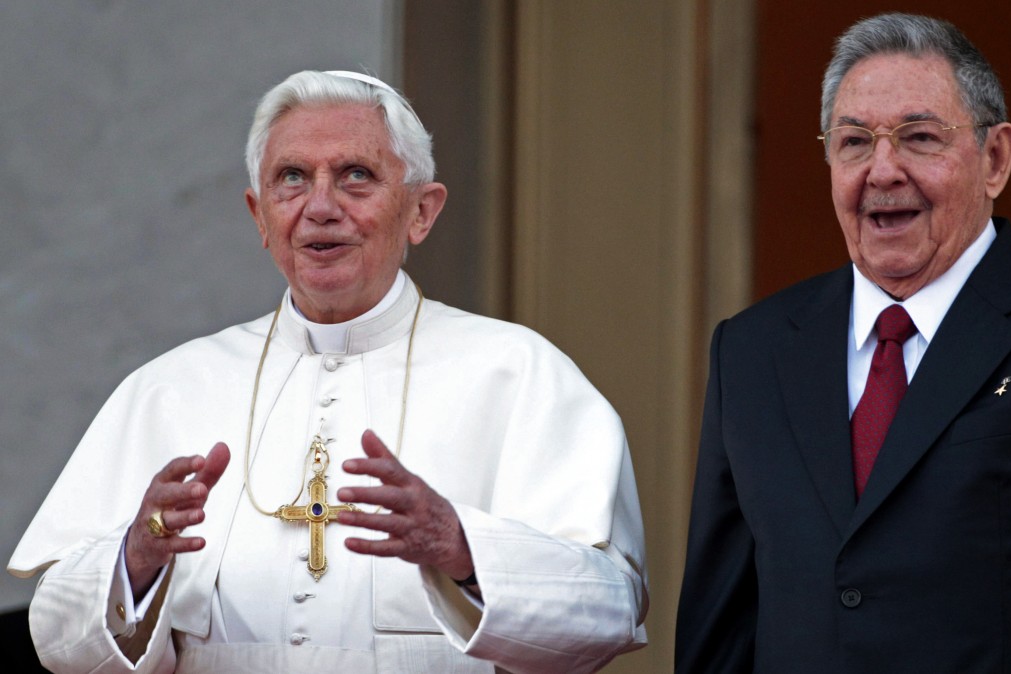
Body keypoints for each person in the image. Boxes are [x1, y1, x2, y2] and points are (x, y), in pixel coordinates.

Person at [9, 70, 648, 674]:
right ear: (260, 216)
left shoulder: (520, 374)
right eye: (292, 177)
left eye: (355, 176)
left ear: (421, 211)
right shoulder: (168, 388)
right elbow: (55, 637)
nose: (320, 206)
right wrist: (138, 555)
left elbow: (610, 612)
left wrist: (459, 548)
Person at [675, 13, 1011, 673]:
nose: (882, 169)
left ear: (996, 159)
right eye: (854, 141)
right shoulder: (751, 350)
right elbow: (718, 631)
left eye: (920, 137)